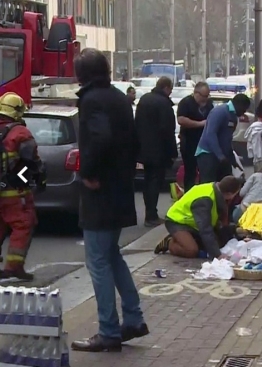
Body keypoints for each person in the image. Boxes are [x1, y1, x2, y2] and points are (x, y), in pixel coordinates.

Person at [71, 48, 148, 352]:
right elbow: (131, 140)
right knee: (112, 256)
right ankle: (133, 318)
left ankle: (108, 330)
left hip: (100, 192)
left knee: (98, 262)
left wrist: (88, 172)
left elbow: (99, 138)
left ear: (83, 74)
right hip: (120, 188)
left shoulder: (91, 100)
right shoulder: (118, 98)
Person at [0, 93, 46, 280]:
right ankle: (14, 267)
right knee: (23, 224)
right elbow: (31, 162)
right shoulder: (20, 134)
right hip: (14, 192)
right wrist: (39, 179)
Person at [159, 176, 241, 259]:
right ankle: (169, 242)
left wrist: (235, 230)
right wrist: (217, 255)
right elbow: (205, 229)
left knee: (217, 242)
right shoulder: (204, 200)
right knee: (191, 250)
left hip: (192, 222)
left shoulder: (215, 188)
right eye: (235, 194)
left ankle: (186, 239)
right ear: (229, 194)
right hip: (177, 221)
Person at [135, 76, 177, 227]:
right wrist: (172, 152)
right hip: (159, 150)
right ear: (166, 88)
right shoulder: (164, 104)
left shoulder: (144, 100)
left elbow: (137, 124)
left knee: (148, 181)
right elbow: (168, 130)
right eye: (170, 90)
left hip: (144, 149)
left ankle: (150, 213)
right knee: (155, 182)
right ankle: (151, 216)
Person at [196, 94, 250, 183]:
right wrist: (220, 155)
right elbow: (210, 134)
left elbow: (227, 139)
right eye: (244, 109)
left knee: (225, 184)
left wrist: (232, 159)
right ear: (239, 105)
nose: (244, 112)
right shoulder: (220, 111)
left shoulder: (233, 117)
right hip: (207, 154)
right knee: (209, 185)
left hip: (222, 156)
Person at [177, 82, 214, 190]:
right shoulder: (186, 103)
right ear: (196, 93)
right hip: (189, 142)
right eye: (203, 96)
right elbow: (181, 120)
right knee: (190, 171)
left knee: (205, 171)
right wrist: (200, 124)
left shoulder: (208, 104)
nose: (205, 99)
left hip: (204, 143)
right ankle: (189, 194)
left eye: (207, 96)